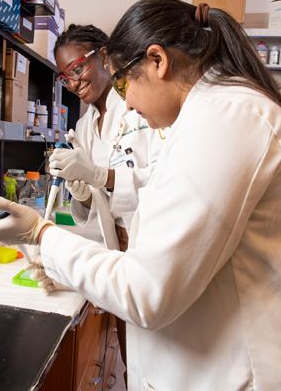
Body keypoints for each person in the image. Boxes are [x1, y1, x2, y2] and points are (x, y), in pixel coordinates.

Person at [0, 0, 281, 391]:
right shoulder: (209, 114)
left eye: (123, 82)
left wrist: (42, 236)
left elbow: (147, 289)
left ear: (157, 61)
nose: (128, 103)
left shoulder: (227, 118)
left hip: (260, 372)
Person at [51, 24, 164, 383]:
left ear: (103, 56)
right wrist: (82, 193)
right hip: (114, 242)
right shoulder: (83, 126)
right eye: (65, 76)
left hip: (149, 239)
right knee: (132, 347)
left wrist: (102, 178)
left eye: (77, 69)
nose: (73, 83)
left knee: (158, 347)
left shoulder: (139, 106)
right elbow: (87, 210)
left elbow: (162, 180)